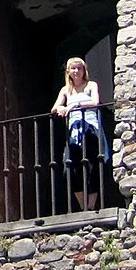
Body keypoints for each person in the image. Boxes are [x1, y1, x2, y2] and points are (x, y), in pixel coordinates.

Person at [51, 56, 108, 210]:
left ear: (84, 70)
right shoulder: (66, 90)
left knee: (92, 166)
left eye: (79, 68)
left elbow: (95, 102)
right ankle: (84, 207)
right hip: (74, 133)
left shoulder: (91, 85)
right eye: (73, 68)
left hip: (91, 129)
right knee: (72, 168)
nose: (76, 71)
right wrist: (61, 108)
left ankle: (91, 206)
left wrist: (75, 105)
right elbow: (54, 108)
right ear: (68, 71)